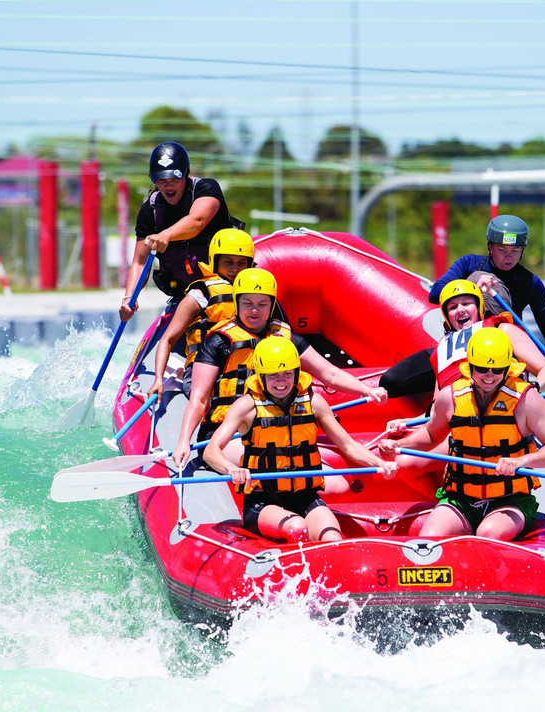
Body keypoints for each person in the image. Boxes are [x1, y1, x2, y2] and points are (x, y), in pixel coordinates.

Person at [171, 267, 387, 469]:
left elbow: (330, 373)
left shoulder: (287, 337)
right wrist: (183, 441)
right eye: (247, 303)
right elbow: (199, 399)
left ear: (272, 304)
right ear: (237, 303)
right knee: (274, 463)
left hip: (277, 428)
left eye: (262, 304)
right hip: (229, 432)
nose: (254, 310)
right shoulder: (218, 341)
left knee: (335, 486)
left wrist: (367, 391)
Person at [379, 327, 545, 542]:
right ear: (470, 366)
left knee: (489, 533)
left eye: (497, 370)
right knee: (430, 537)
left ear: (507, 368)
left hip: (510, 500)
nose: (490, 377)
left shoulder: (527, 399)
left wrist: (522, 461)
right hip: (460, 498)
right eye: (482, 369)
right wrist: (399, 446)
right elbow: (431, 437)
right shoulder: (449, 397)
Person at [203, 336, 397, 543]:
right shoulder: (246, 407)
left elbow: (348, 446)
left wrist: (380, 464)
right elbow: (210, 451)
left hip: (304, 495)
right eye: (273, 375)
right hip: (262, 500)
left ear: (297, 373)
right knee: (297, 528)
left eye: (287, 374)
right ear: (260, 376)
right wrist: (230, 469)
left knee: (332, 537)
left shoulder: (314, 403)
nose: (282, 381)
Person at [428, 213, 545, 387]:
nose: (509, 257)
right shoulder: (469, 264)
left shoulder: (531, 282)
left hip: (504, 351)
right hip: (463, 347)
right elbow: (434, 294)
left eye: (515, 251)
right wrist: (473, 286)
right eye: (502, 250)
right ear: (490, 247)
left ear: (522, 251)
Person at [380, 278, 545, 400]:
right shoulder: (443, 349)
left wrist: (531, 391)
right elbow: (436, 407)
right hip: (464, 427)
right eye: (453, 307)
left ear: (479, 307)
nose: (460, 310)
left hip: (510, 415)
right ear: (447, 316)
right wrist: (409, 423)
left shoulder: (504, 330)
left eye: (466, 303)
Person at [120, 141, 239, 322]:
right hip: (185, 295)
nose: (169, 186)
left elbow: (197, 221)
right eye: (162, 180)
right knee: (168, 338)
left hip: (224, 286)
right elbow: (139, 262)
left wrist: (165, 235)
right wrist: (129, 298)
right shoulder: (149, 212)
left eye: (174, 179)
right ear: (154, 180)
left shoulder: (207, 189)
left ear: (186, 174)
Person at [146, 228, 254, 400]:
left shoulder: (259, 295)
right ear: (215, 261)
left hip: (244, 371)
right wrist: (158, 379)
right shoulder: (200, 294)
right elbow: (168, 340)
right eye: (228, 262)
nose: (235, 268)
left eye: (241, 262)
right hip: (204, 371)